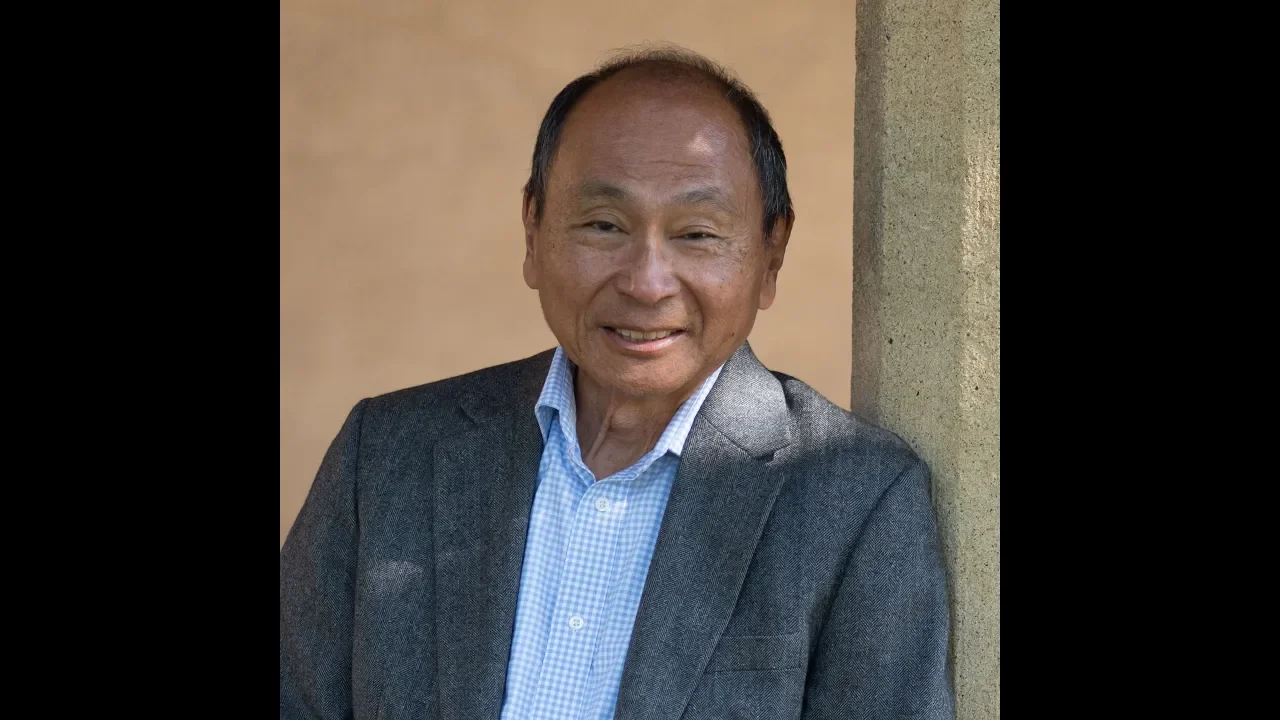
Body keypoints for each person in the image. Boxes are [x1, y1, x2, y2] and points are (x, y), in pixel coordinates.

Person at [281, 46, 953, 720]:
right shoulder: (387, 453)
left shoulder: (857, 499)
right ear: (533, 230)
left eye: (697, 234)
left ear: (771, 253)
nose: (646, 283)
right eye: (604, 225)